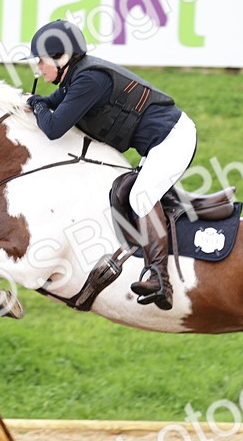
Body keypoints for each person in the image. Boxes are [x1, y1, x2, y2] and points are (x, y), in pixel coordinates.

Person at [25, 20, 197, 312]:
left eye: (41, 62)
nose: (38, 70)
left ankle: (160, 278)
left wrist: (37, 106)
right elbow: (49, 102)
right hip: (159, 142)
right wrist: (33, 103)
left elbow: (53, 126)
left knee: (141, 196)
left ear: (61, 57)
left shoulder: (89, 81)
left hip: (173, 138)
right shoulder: (75, 78)